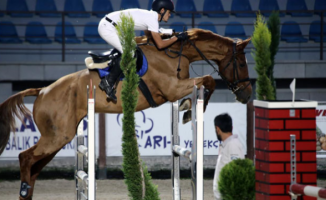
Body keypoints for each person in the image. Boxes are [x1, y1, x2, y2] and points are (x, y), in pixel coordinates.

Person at [97, 0, 188, 102]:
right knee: (130, 52)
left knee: (133, 49)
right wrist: (177, 38)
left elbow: (150, 37)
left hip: (112, 26)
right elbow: (160, 45)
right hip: (108, 27)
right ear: (162, 10)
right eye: (169, 12)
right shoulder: (152, 19)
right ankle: (108, 81)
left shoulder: (150, 17)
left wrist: (169, 34)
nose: (170, 15)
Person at [213, 113, 245, 200]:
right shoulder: (227, 144)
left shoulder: (233, 145)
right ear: (232, 127)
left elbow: (237, 172)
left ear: (217, 129)